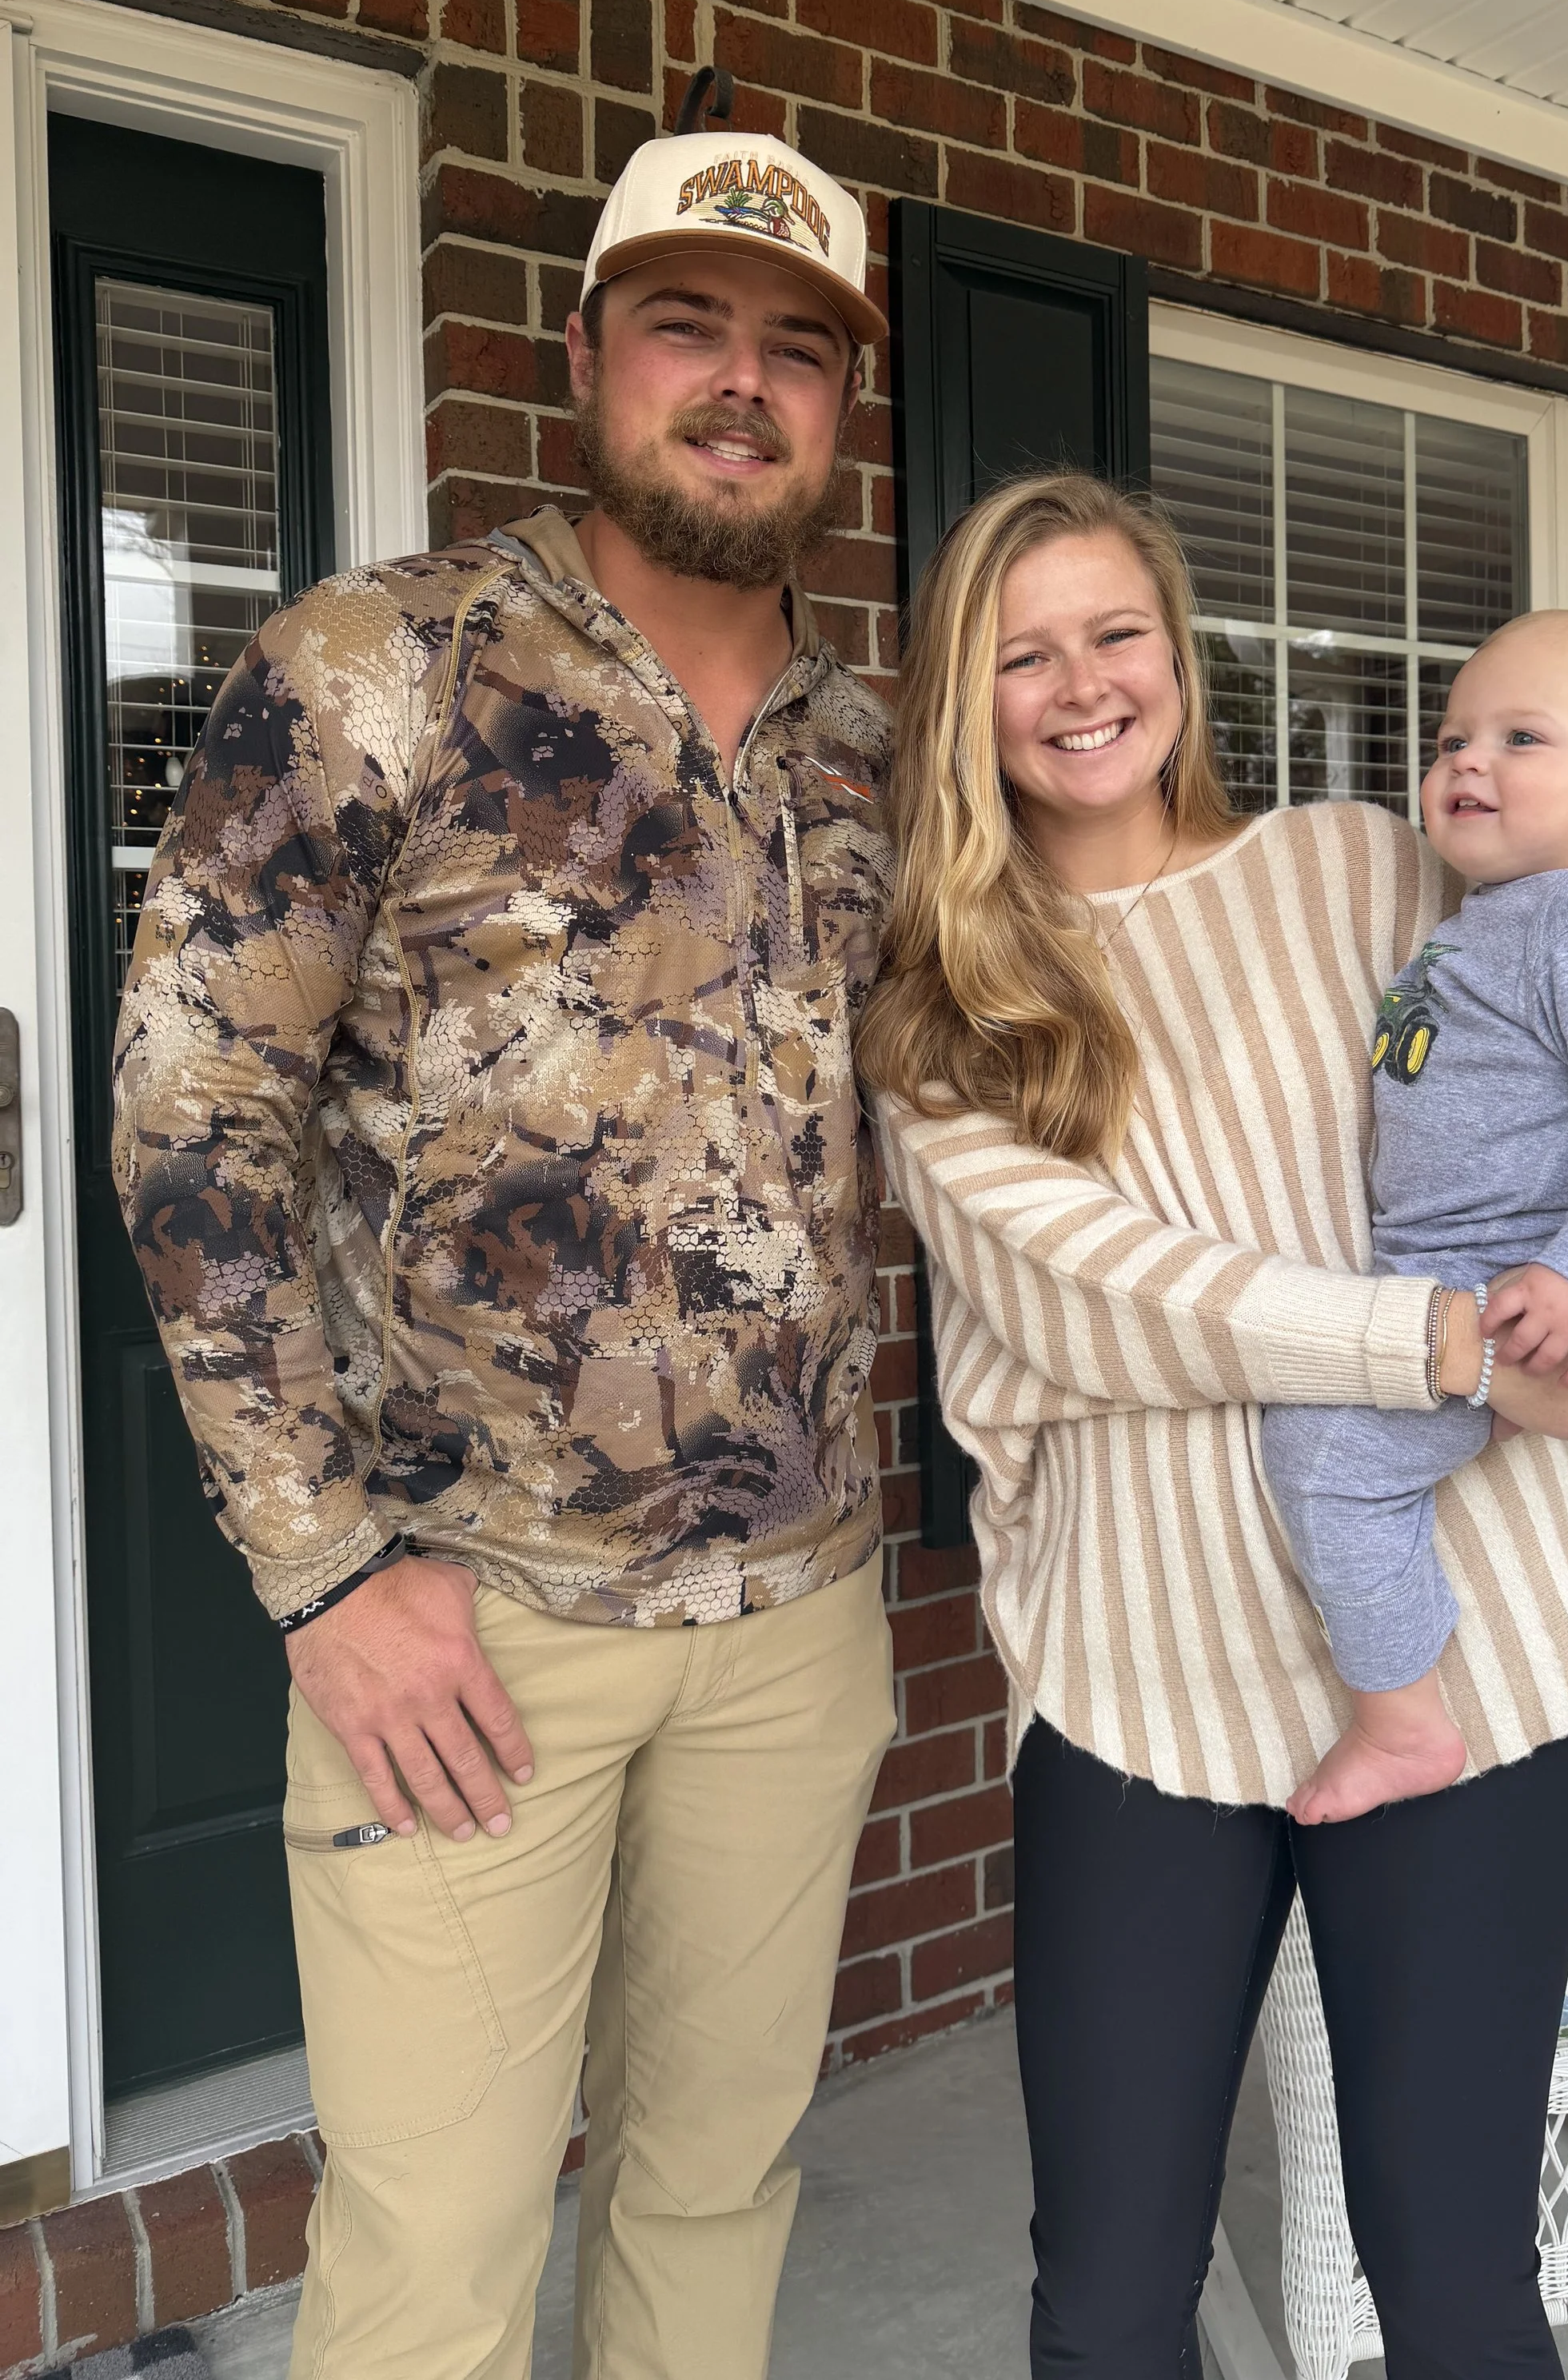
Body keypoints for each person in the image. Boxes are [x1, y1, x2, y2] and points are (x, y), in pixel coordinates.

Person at [111, 127, 899, 2380]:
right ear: (582, 357)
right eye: (684, 325)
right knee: (436, 2248)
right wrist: (327, 1577)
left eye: (794, 349)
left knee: (716, 2181)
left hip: (794, 1615)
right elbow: (193, 1121)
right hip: (469, 1627)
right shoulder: (379, 667)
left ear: (839, 406)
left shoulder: (871, 751)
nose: (737, 386)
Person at [860, 471, 1568, 2380]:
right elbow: (1098, 1290)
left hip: (1471, 1649)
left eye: (1115, 633)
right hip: (1140, 1667)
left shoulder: (1364, 864)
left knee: (1457, 2290)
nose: (1080, 686)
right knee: (1103, 2297)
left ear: (1177, 648)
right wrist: (1451, 1348)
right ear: (959, 701)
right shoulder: (940, 1015)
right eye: (1021, 654)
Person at [1263, 611, 1568, 1828]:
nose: (1467, 760)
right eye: (1453, 734)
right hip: (1455, 1271)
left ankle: (1402, 1722)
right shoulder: (1489, 919)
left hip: (1515, 1277)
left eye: (1523, 737)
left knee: (1324, 1461)